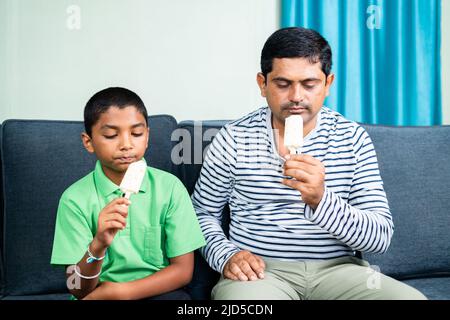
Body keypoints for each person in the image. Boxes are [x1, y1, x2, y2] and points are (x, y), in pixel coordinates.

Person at [191, 27, 426, 300]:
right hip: (261, 274)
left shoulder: (352, 138)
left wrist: (321, 200)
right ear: (262, 84)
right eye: (282, 83)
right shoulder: (233, 138)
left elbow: (379, 238)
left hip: (340, 271)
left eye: (309, 83)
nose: (296, 97)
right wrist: (227, 256)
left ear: (328, 84)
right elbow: (201, 214)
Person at [51, 87, 205, 300]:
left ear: (148, 136)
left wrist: (121, 292)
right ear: (89, 142)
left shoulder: (170, 188)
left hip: (158, 292)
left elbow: (183, 271)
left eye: (136, 133)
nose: (126, 145)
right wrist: (98, 245)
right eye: (111, 135)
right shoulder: (74, 200)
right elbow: (76, 288)